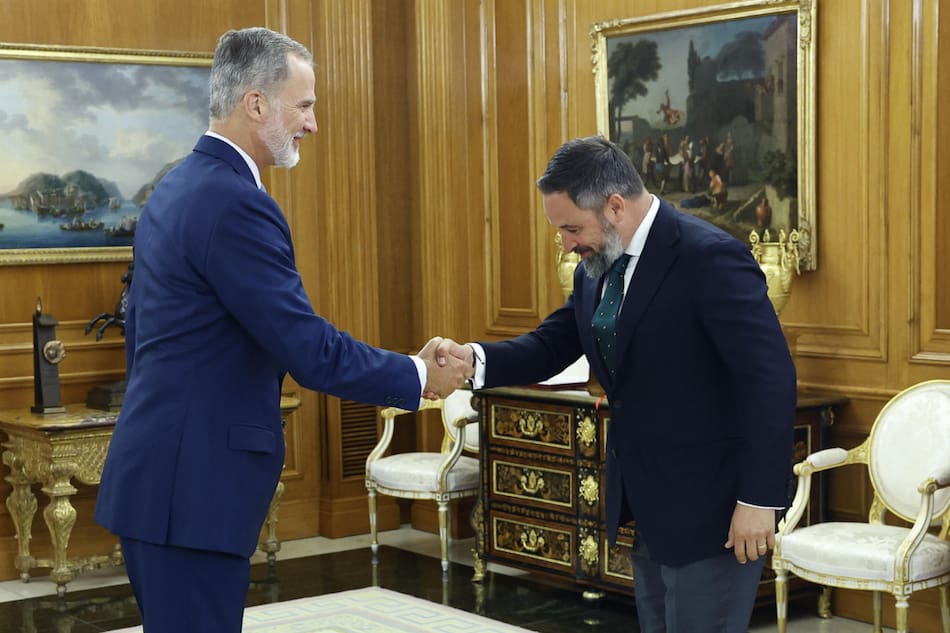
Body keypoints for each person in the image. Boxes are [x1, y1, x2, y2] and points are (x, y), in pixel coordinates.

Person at [93, 27, 471, 633]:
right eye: (305, 105)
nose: (313, 124)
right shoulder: (233, 201)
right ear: (257, 104)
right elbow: (307, 348)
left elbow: (142, 337)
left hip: (165, 480)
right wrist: (420, 373)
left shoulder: (176, 186)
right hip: (194, 490)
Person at [438, 136, 796, 633]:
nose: (564, 243)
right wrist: (470, 361)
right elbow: (553, 343)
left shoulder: (708, 257)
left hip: (716, 509)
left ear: (614, 206)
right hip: (646, 504)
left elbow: (770, 381)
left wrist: (759, 501)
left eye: (570, 228)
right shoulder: (599, 262)